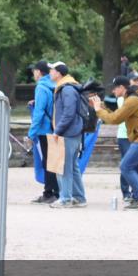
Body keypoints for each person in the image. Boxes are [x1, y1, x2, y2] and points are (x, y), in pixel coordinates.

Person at [90, 76, 138, 209]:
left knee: (125, 166)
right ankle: (136, 197)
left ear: (121, 87)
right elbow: (118, 116)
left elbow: (114, 119)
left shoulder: (132, 100)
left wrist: (98, 110)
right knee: (133, 167)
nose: (113, 91)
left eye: (114, 88)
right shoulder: (131, 98)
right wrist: (102, 107)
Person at [48, 62, 87, 209]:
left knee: (62, 166)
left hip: (67, 133)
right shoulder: (68, 87)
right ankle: (79, 197)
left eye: (52, 70)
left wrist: (57, 131)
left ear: (59, 73)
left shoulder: (66, 89)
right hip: (73, 132)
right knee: (73, 166)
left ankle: (65, 198)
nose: (50, 72)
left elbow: (68, 113)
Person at [27, 61, 58, 205]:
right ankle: (55, 192)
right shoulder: (53, 85)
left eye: (34, 71)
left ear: (39, 72)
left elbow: (39, 113)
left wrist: (31, 133)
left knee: (47, 162)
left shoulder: (41, 87)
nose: (33, 74)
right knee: (53, 162)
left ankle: (49, 193)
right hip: (54, 128)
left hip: (44, 130)